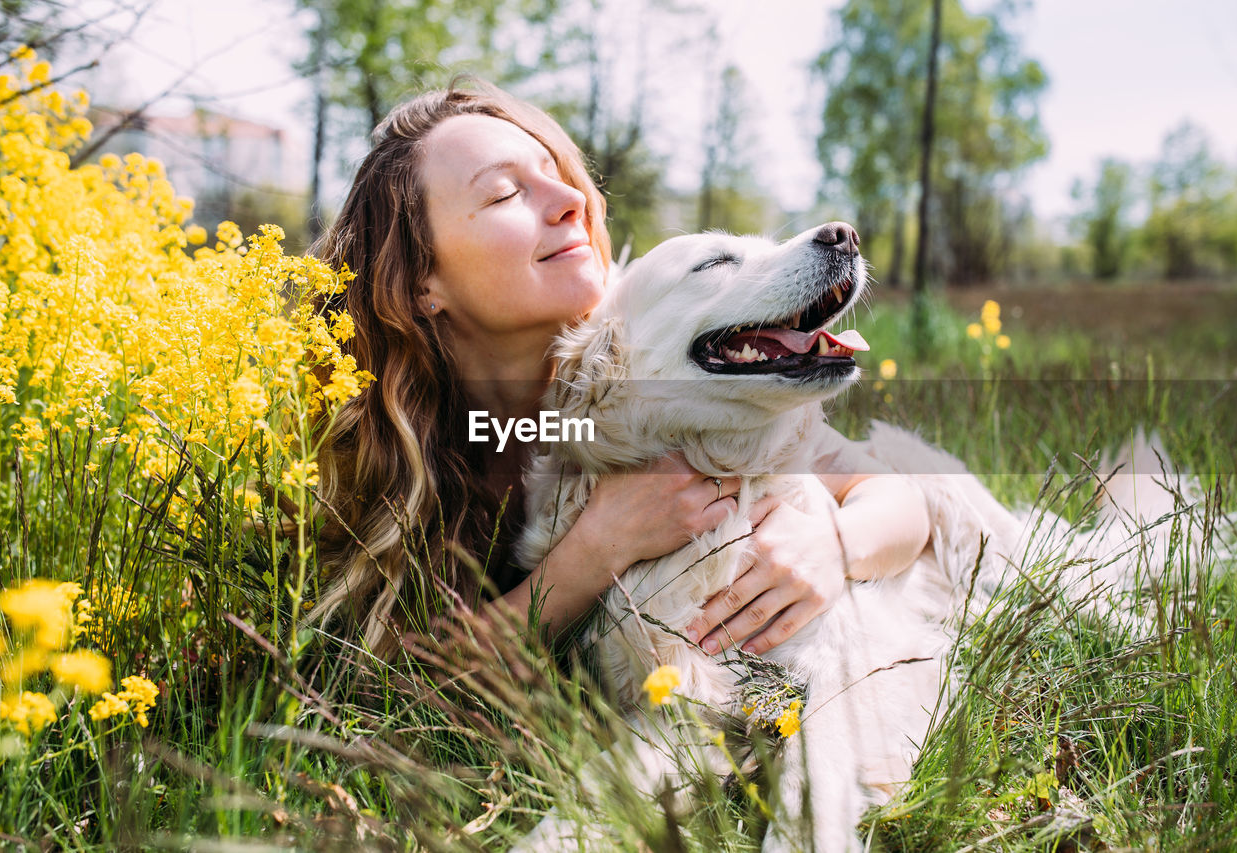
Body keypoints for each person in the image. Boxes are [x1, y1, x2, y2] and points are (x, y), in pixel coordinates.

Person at [309, 80, 931, 661]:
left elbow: (899, 499)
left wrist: (835, 547)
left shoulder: (655, 359)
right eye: (503, 193)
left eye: (558, 177)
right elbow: (395, 684)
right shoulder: (394, 434)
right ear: (422, 282)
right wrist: (598, 549)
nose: (573, 201)